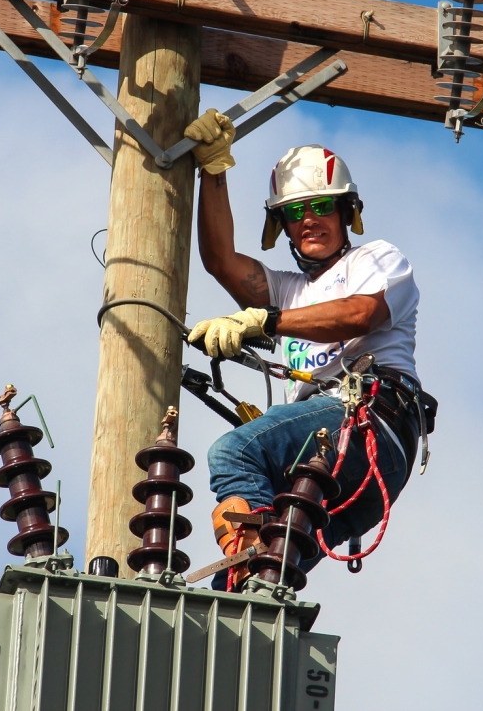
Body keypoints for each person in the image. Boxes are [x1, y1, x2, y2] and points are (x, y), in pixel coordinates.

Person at [183, 109, 432, 588]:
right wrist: (213, 171)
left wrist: (267, 321)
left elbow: (361, 313)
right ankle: (247, 598)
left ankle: (249, 569)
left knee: (235, 455)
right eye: (295, 212)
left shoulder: (376, 259)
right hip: (337, 471)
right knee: (275, 561)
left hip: (369, 425)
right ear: (282, 226)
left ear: (346, 212)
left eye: (321, 206)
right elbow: (220, 260)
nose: (309, 220)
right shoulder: (288, 290)